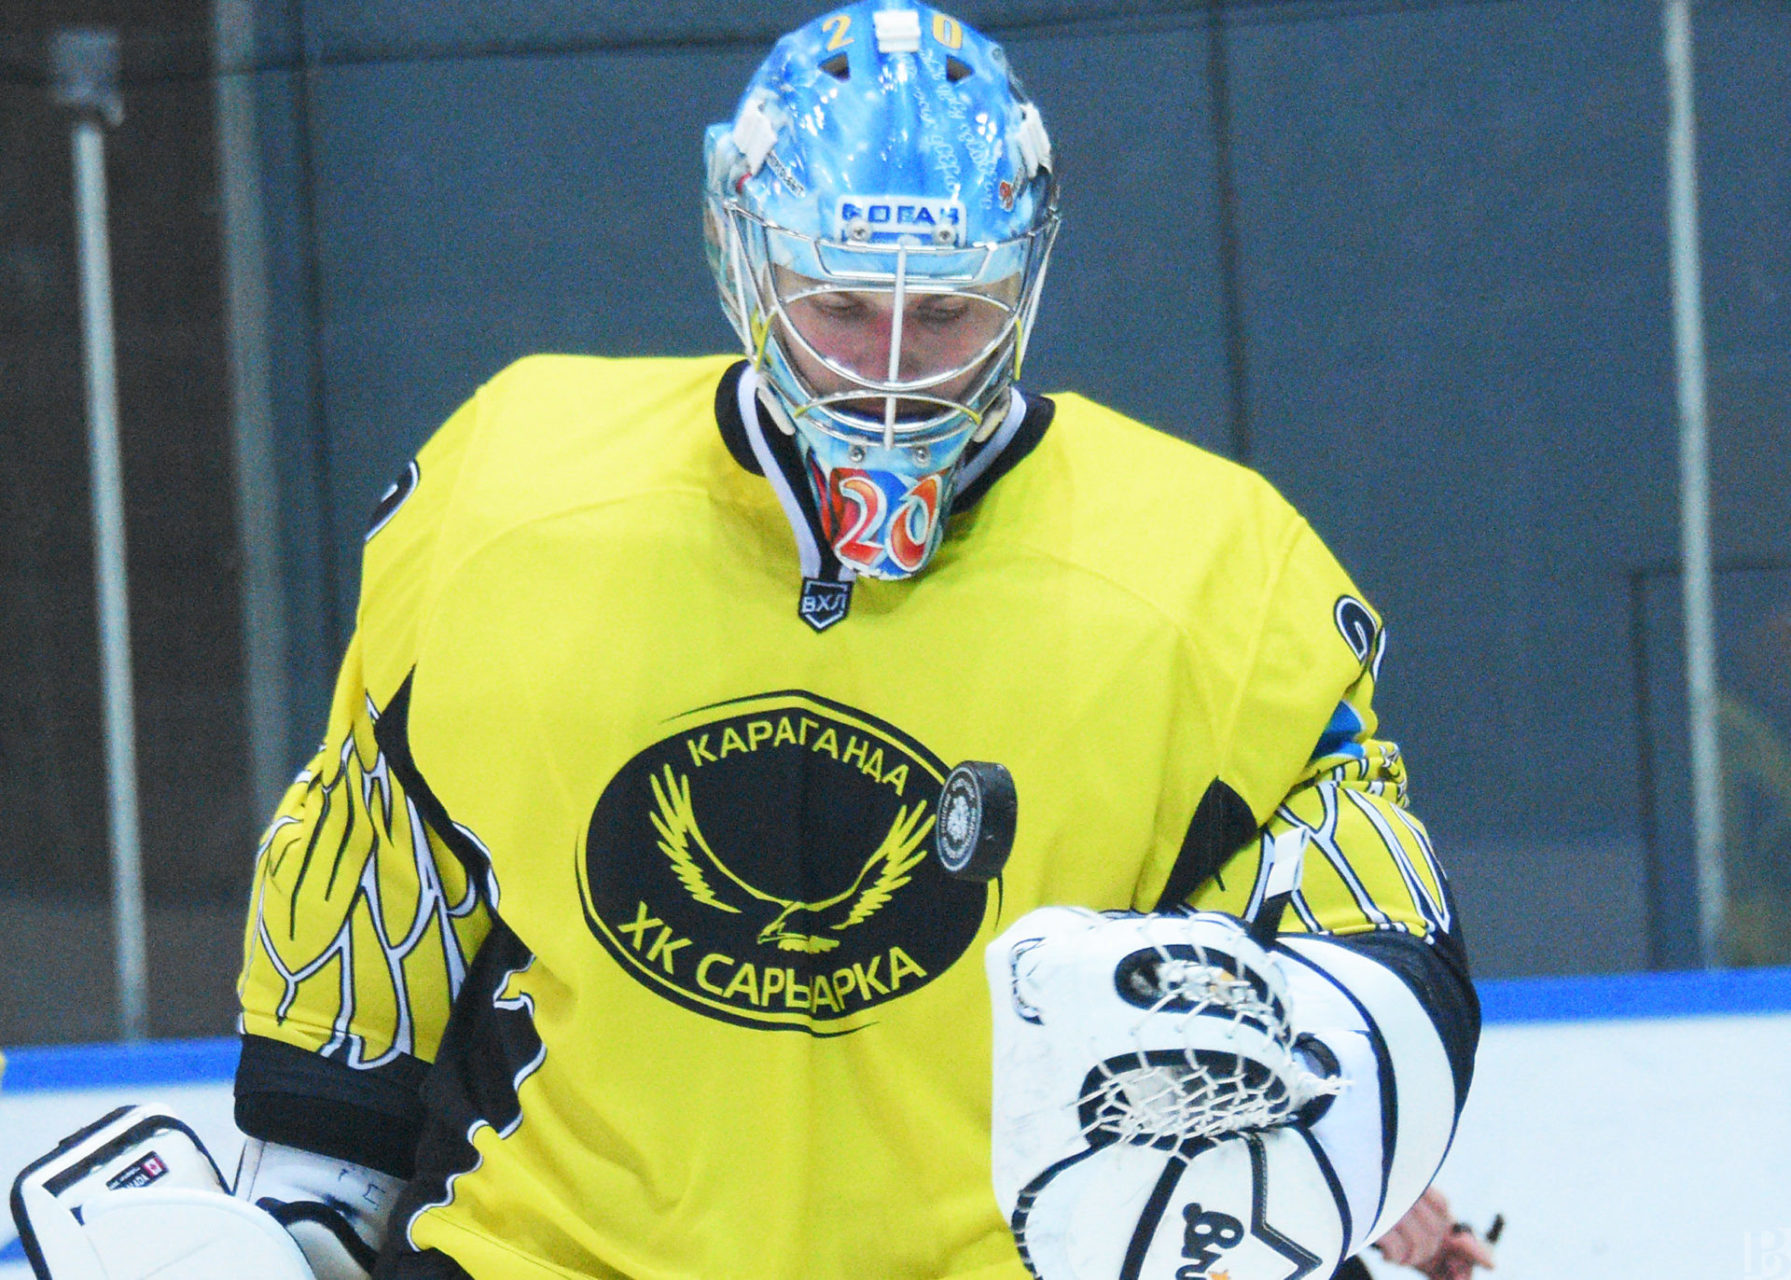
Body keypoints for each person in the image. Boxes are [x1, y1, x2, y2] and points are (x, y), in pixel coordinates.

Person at [224, 4, 1480, 1278]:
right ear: (742, 252)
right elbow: (379, 880)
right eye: (839, 303)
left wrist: (1333, 1108)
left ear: (1023, 276)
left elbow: (1374, 944)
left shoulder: (1216, 577)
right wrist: (300, 1210)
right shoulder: (508, 498)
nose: (890, 371)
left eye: (944, 311)